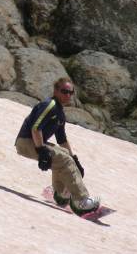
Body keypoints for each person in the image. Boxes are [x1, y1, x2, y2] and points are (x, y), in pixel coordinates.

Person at [15, 77, 100, 216]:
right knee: (63, 160)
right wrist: (42, 150)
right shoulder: (50, 105)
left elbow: (62, 139)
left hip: (34, 142)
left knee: (65, 155)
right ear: (56, 91)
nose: (67, 95)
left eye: (70, 93)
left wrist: (74, 158)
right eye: (64, 91)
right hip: (26, 142)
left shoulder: (60, 112)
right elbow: (36, 128)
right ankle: (81, 201)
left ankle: (61, 194)